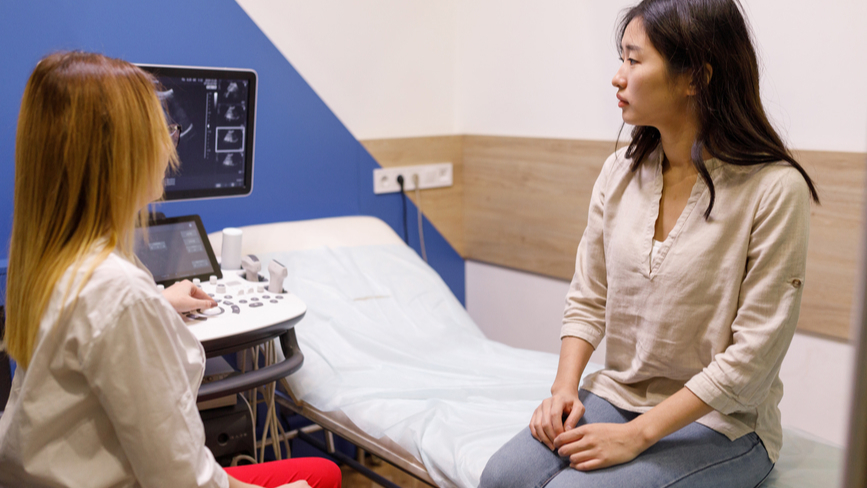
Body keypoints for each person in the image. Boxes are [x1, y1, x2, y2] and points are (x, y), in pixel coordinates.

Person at [480, 0, 818, 487]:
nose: (618, 77)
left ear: (695, 78)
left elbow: (753, 360)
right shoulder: (620, 173)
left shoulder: (772, 188)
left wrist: (638, 436)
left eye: (634, 60)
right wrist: (563, 390)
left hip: (723, 423)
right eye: (622, 58)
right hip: (619, 394)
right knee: (501, 476)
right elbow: (588, 297)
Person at [0, 51, 342, 488]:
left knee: (319, 470)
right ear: (119, 152)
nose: (170, 144)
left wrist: (159, 305)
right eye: (162, 130)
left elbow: (92, 328)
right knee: (319, 478)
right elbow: (183, 482)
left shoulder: (52, 259)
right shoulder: (120, 295)